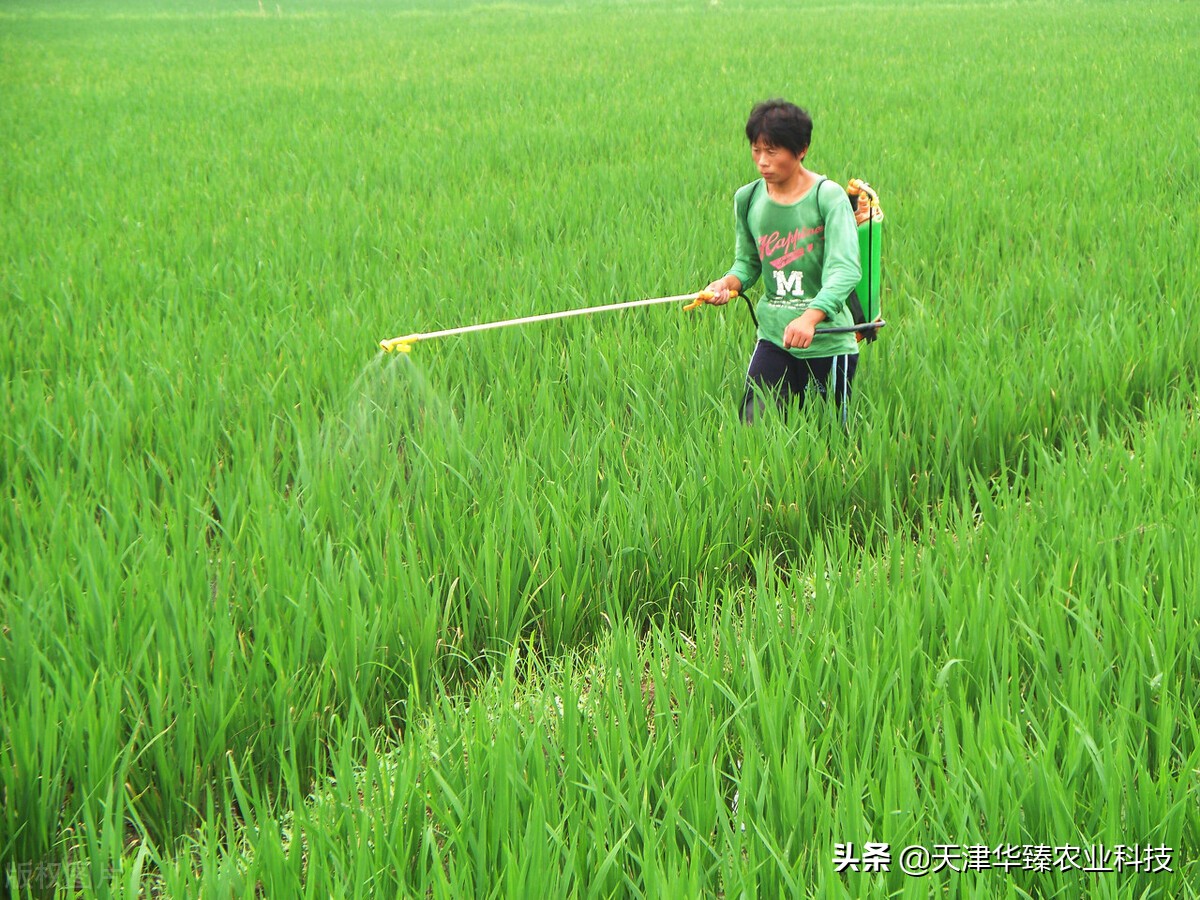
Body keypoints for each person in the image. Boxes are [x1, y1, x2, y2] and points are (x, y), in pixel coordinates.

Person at [705, 99, 862, 424]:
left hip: (827, 342)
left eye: (773, 151)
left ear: (801, 149)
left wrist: (810, 318)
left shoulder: (827, 197)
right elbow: (748, 264)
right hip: (774, 337)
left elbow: (846, 270)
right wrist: (726, 284)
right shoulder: (748, 199)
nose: (762, 161)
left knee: (829, 437)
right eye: (756, 150)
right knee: (753, 428)